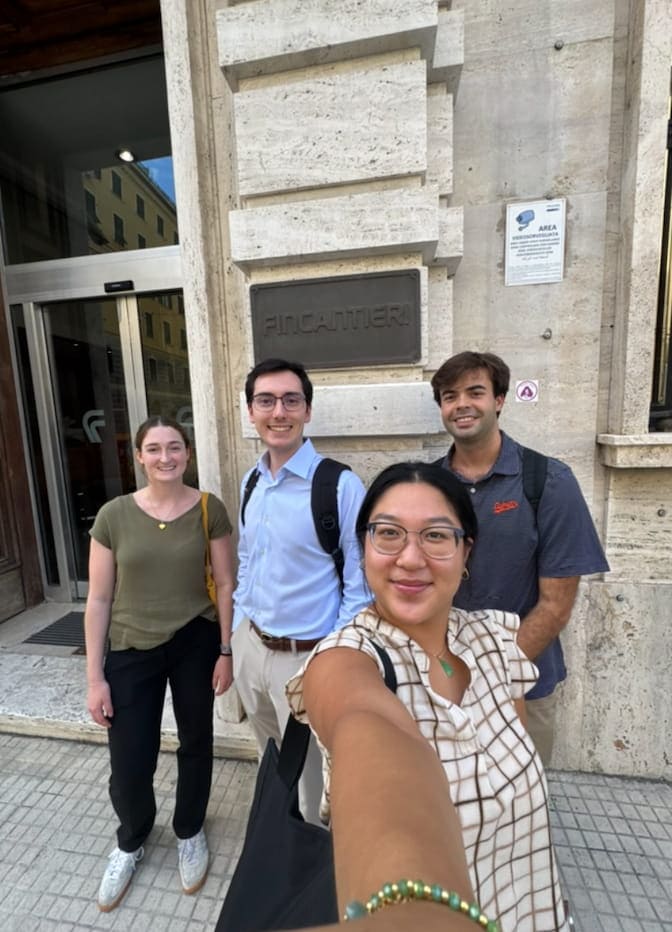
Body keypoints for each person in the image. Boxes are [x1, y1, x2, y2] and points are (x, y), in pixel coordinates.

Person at [286, 462, 570, 931]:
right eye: (388, 533)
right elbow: (368, 731)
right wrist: (406, 912)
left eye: (436, 536)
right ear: (363, 549)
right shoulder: (345, 661)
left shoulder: (495, 639)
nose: (411, 558)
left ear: (466, 553)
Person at [85, 415, 235, 912]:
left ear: (187, 454)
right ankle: (132, 836)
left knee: (196, 741)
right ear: (140, 458)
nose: (165, 457)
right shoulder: (113, 515)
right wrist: (95, 678)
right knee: (130, 757)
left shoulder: (209, 509)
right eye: (154, 449)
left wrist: (226, 650)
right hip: (130, 647)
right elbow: (99, 600)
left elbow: (227, 583)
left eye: (174, 447)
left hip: (195, 638)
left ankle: (189, 829)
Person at [430, 351, 609, 765]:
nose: (462, 405)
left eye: (475, 392)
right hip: (443, 686)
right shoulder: (428, 485)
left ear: (499, 400)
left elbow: (556, 605)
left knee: (521, 811)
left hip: (520, 684)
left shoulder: (549, 481)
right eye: (449, 396)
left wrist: (491, 676)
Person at [232, 358, 369, 824]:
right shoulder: (252, 481)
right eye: (265, 400)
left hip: (308, 659)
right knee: (271, 759)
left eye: (291, 400)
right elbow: (247, 562)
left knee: (314, 784)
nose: (279, 411)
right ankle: (278, 833)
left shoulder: (339, 485)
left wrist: (333, 659)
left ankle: (308, 862)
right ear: (251, 412)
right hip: (252, 648)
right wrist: (236, 636)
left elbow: (359, 583)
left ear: (307, 411)